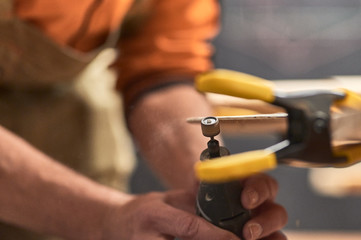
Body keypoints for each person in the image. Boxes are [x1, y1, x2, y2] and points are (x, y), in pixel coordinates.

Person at [0, 0, 287, 239]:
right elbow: (105, 218)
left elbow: (161, 68)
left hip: (70, 146)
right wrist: (104, 216)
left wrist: (206, 186)